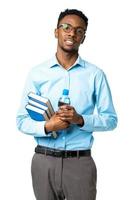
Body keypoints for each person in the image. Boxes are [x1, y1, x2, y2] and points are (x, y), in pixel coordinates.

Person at [16, 8, 118, 200]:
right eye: (67, 27)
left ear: (83, 38)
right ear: (56, 32)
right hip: (43, 162)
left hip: (79, 164)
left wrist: (80, 119)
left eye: (79, 31)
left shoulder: (95, 75)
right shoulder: (37, 74)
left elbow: (111, 120)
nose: (72, 33)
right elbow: (21, 120)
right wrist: (48, 126)